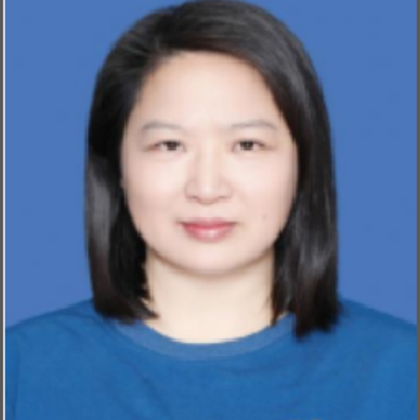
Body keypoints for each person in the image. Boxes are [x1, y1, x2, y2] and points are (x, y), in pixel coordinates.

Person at [6, 1, 416, 419]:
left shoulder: (401, 372)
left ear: (304, 163)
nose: (207, 188)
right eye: (170, 145)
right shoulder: (21, 369)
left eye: (247, 145)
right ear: (117, 167)